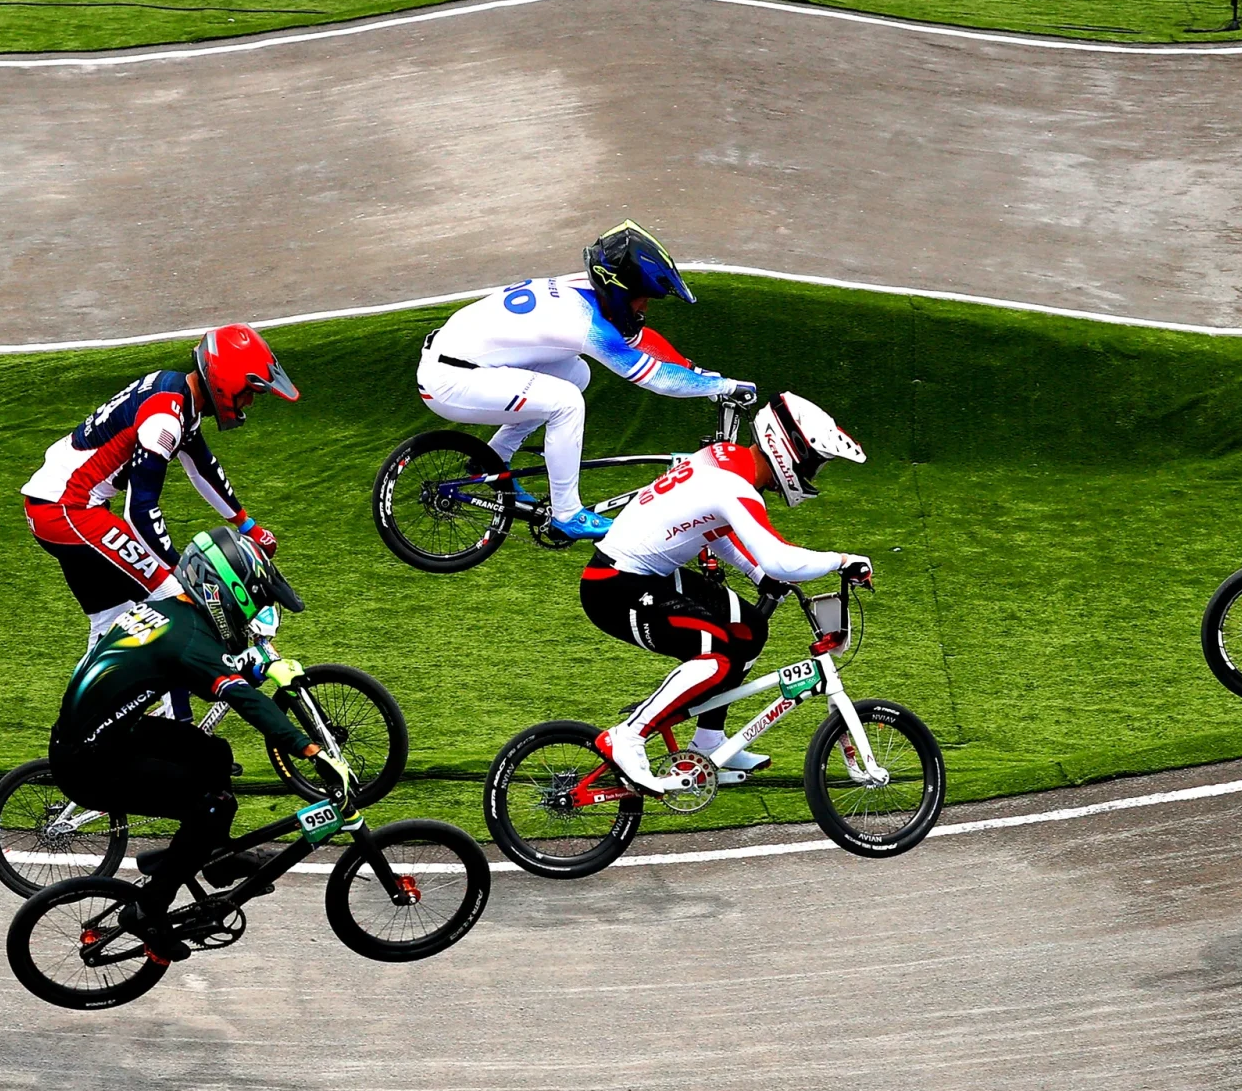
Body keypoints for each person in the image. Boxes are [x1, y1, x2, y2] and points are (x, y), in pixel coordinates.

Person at [48, 527, 352, 961]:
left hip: (96, 738)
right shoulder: (188, 639)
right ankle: (148, 910)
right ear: (223, 592)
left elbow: (208, 677)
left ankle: (208, 856)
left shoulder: (172, 612)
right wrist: (310, 749)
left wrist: (241, 666)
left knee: (214, 754)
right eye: (250, 599)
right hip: (91, 763)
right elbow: (243, 699)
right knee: (212, 805)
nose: (251, 613)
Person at [582, 393, 870, 793]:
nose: (811, 475)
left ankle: (710, 743)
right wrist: (843, 560)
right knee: (716, 657)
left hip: (649, 574)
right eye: (813, 465)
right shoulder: (736, 486)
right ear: (789, 451)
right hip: (615, 588)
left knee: (749, 627)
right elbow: (780, 560)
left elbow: (710, 529)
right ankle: (628, 737)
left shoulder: (724, 457)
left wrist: (757, 575)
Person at [417, 220, 756, 542]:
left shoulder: (581, 290)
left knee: (576, 373)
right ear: (622, 292)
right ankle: (567, 515)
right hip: (450, 380)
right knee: (565, 403)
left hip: (457, 361)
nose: (644, 309)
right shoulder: (584, 326)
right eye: (643, 300)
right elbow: (657, 378)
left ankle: (491, 460)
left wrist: (696, 371)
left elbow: (640, 340)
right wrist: (723, 386)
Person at [23, 324, 297, 650]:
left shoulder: (178, 393)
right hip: (69, 511)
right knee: (175, 601)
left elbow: (204, 469)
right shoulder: (165, 419)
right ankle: (174, 704)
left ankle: (101, 701)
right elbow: (139, 510)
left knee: (111, 622)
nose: (249, 402)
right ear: (225, 381)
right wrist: (179, 571)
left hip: (59, 507)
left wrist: (246, 525)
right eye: (249, 392)